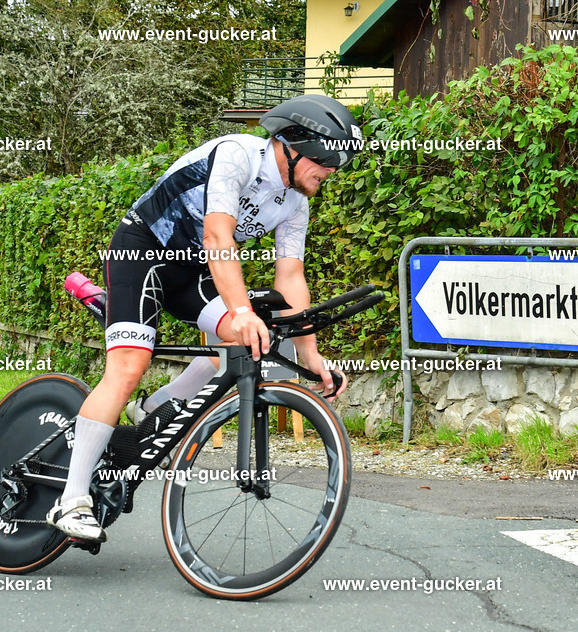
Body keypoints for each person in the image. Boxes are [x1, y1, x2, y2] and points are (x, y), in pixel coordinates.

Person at [46, 94, 362, 542]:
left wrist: (311, 355)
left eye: (342, 162)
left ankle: (154, 411)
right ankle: (71, 498)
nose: (333, 170)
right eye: (328, 157)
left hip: (192, 271)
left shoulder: (295, 202)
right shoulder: (238, 156)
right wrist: (239, 308)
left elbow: (290, 275)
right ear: (291, 143)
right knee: (130, 366)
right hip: (142, 252)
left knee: (255, 339)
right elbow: (217, 235)